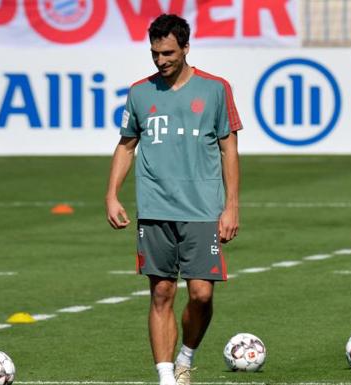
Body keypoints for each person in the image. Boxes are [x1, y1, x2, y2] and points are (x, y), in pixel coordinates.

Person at [105, 14, 241, 385]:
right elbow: (127, 145)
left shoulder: (216, 89)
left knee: (200, 294)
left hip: (202, 209)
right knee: (162, 292)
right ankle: (167, 377)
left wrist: (231, 206)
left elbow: (229, 148)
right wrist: (111, 194)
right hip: (155, 209)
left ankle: (187, 355)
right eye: (154, 53)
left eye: (167, 53)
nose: (160, 60)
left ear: (185, 48)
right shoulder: (139, 92)